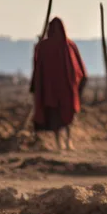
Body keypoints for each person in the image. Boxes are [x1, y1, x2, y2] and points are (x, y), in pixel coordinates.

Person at [31, 18, 86, 151]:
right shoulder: (67, 45)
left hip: (52, 91)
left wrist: (36, 86)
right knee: (65, 117)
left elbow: (38, 70)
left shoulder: (46, 46)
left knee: (58, 117)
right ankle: (66, 142)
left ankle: (61, 143)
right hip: (64, 91)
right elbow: (80, 71)